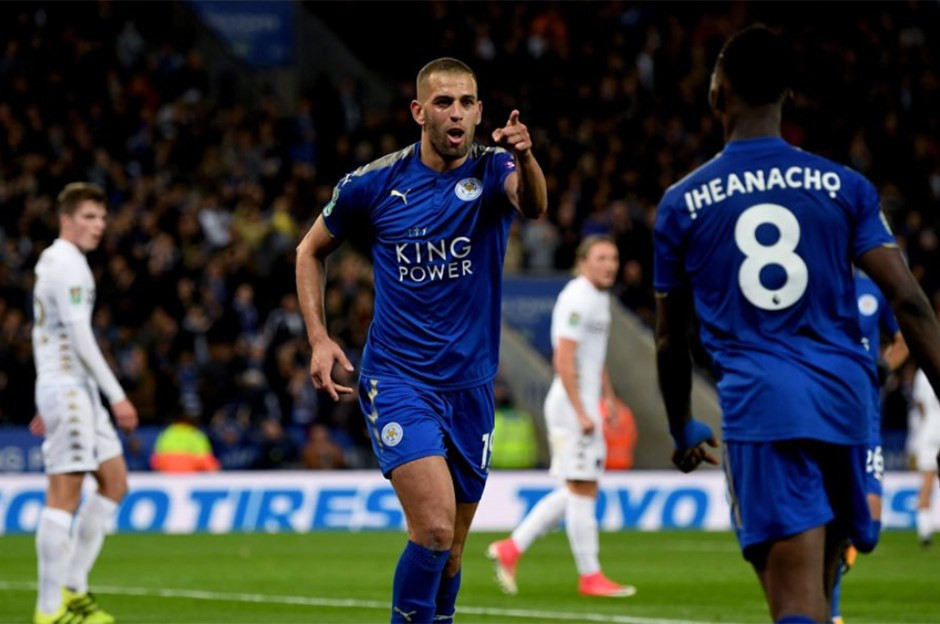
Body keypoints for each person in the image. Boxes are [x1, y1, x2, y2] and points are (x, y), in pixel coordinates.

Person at [653, 25, 940, 623]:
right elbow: (910, 302)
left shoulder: (683, 202)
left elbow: (669, 337)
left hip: (766, 409)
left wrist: (681, 423)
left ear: (717, 93)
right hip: (847, 405)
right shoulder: (846, 187)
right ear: (788, 95)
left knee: (796, 606)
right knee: (825, 585)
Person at [295, 57, 546, 623]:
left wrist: (528, 157)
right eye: (443, 102)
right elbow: (309, 250)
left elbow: (532, 204)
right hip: (399, 380)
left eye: (466, 103)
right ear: (418, 111)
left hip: (472, 387)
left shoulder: (495, 168)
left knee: (451, 551)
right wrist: (319, 336)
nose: (456, 113)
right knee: (432, 529)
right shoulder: (373, 183)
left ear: (479, 112)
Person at [486, 236, 635, 598]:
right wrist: (581, 410)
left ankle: (512, 547)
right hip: (571, 405)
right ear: (582, 261)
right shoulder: (577, 297)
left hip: (584, 402)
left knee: (579, 488)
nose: (610, 265)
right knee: (583, 487)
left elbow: (592, 356)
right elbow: (563, 357)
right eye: (601, 257)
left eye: (614, 258)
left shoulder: (598, 299)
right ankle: (590, 575)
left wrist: (608, 397)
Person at [30, 182, 139, 624]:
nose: (98, 226)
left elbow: (50, 333)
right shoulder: (66, 264)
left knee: (115, 483)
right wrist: (117, 396)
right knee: (65, 494)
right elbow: (78, 336)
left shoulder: (62, 262)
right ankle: (48, 609)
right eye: (88, 217)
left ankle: (73, 588)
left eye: (102, 218)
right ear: (66, 219)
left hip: (74, 389)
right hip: (70, 389)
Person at [831, 270, 909, 624]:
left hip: (867, 422)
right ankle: (831, 613)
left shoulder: (873, 288)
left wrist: (882, 368)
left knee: (868, 535)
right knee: (829, 518)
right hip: (827, 420)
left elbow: (903, 339)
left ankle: (842, 548)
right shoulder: (815, 281)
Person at [908, 353, 940, 546]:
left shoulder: (921, 373)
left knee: (927, 482)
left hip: (928, 430)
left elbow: (919, 404)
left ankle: (924, 531)